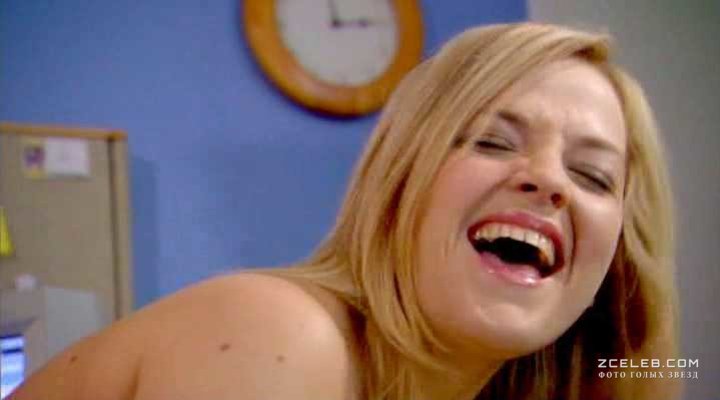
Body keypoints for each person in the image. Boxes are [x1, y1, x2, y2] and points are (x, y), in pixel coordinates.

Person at [9, 22, 680, 400]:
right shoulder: (281, 332)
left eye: (592, 175)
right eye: (491, 141)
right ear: (400, 180)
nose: (549, 180)